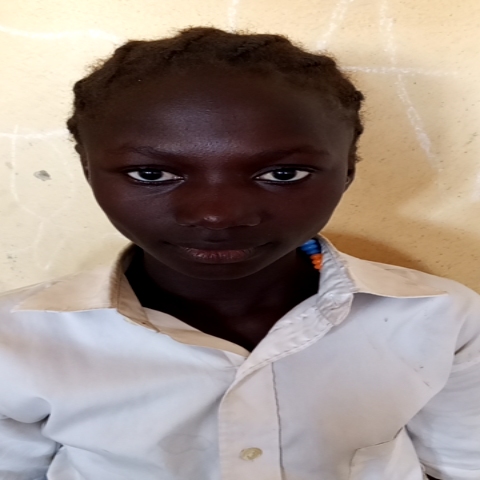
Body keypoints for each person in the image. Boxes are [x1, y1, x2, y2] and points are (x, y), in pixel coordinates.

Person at [0, 26, 478, 480]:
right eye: (151, 174)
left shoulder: (442, 319)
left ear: (347, 170)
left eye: (283, 174)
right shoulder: (17, 338)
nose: (217, 215)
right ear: (88, 170)